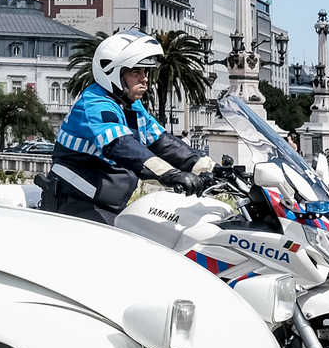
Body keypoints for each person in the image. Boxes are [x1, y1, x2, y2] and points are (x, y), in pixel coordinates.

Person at [44, 30, 210, 224]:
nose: (145, 78)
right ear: (112, 72)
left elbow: (161, 141)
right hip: (76, 204)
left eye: (145, 72)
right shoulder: (94, 104)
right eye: (136, 72)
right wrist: (171, 175)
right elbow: (121, 145)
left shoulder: (130, 104)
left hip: (106, 204)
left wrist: (208, 166)